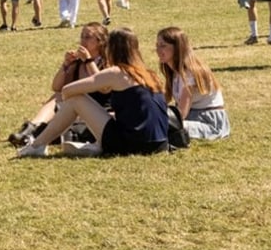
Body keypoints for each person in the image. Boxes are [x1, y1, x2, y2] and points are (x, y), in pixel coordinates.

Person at [18, 28, 169, 158]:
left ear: (111, 49)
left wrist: (77, 113)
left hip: (131, 145)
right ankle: (95, 145)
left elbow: (66, 90)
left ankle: (38, 145)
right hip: (160, 143)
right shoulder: (150, 75)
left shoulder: (116, 72)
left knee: (76, 99)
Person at [8, 22, 109, 147]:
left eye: (88, 37)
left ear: (100, 42)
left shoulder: (107, 63)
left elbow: (102, 84)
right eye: (82, 36)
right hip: (73, 112)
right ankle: (31, 128)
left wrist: (89, 61)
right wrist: (66, 65)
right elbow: (56, 87)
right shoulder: (78, 63)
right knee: (58, 95)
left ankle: (33, 136)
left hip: (97, 113)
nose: (83, 41)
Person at [156, 27, 230, 141]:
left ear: (177, 48)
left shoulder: (190, 73)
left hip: (209, 122)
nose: (158, 49)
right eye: (157, 45)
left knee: (164, 126)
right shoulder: (174, 72)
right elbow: (165, 101)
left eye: (163, 45)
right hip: (193, 116)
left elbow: (181, 114)